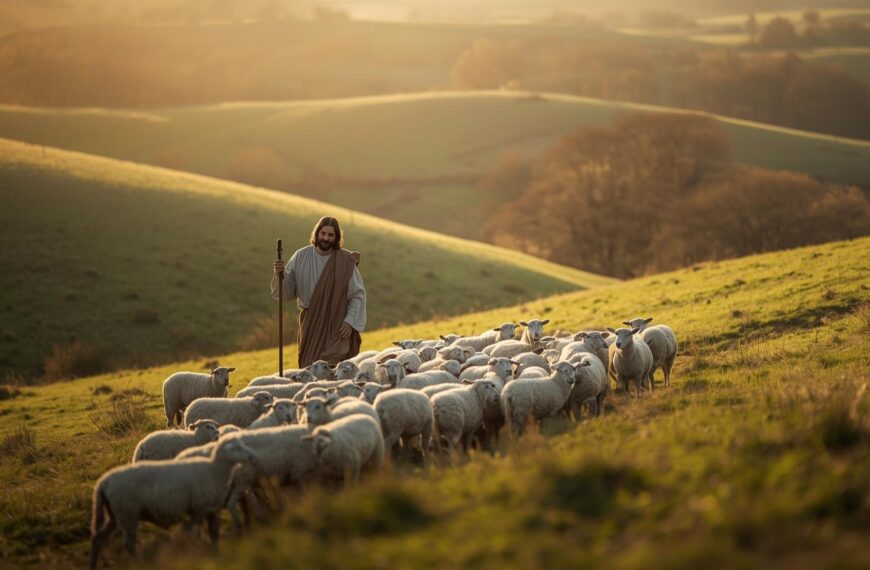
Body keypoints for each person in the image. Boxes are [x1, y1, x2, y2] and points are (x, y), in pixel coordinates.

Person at [271, 216, 366, 367]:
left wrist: (350, 321)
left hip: (337, 323)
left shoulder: (345, 260)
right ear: (316, 234)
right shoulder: (301, 256)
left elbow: (357, 294)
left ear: (336, 238)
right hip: (311, 322)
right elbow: (287, 291)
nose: (326, 238)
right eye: (323, 233)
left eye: (330, 235)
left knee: (336, 364)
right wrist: (280, 274)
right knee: (309, 365)